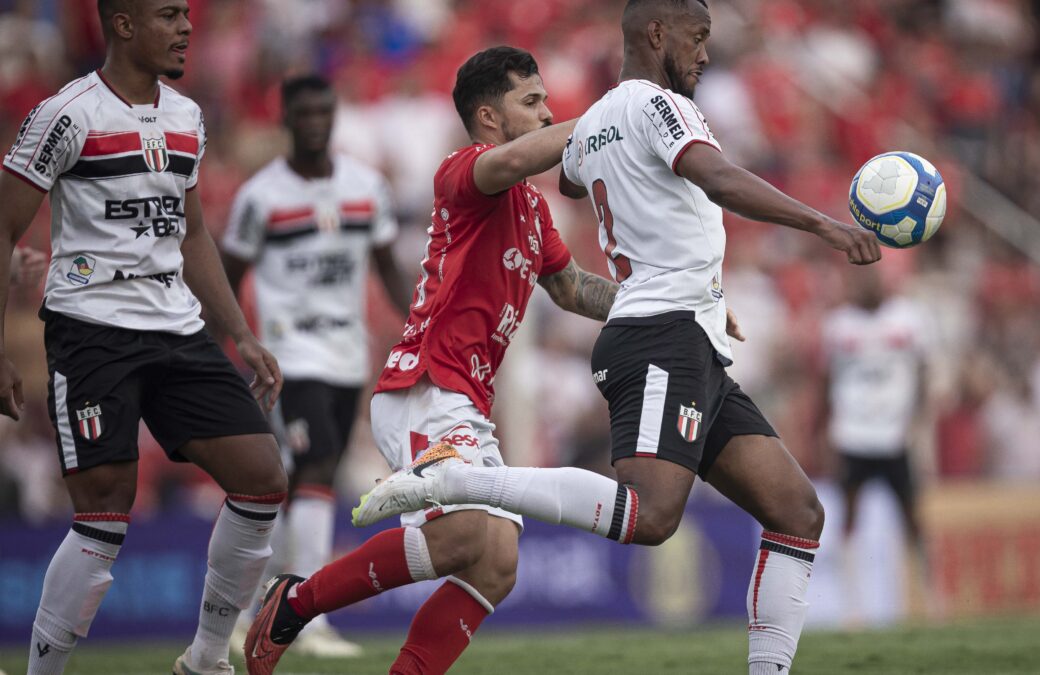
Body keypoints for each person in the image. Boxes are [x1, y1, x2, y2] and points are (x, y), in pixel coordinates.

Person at [352, 1, 881, 673]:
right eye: (697, 38)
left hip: (687, 331)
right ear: (657, 34)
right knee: (652, 516)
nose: (706, 55)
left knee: (797, 509)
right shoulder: (654, 104)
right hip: (662, 334)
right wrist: (823, 225)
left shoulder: (601, 120)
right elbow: (713, 175)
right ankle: (457, 479)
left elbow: (573, 182)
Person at [243, 46, 620, 675]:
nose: (547, 112)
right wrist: (613, 117)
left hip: (464, 399)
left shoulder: (531, 208)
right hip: (425, 385)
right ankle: (295, 600)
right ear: (489, 116)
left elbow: (571, 287)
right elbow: (522, 157)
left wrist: (659, 304)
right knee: (466, 536)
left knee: (496, 562)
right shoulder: (463, 173)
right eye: (531, 102)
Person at [0, 2, 289, 674]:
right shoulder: (66, 114)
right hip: (92, 329)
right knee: (105, 505)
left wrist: (240, 335)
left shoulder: (187, 117)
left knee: (262, 478)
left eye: (186, 15)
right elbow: (3, 226)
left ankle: (206, 659)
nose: (187, 27)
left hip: (176, 326)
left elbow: (190, 233)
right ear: (124, 24)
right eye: (168, 15)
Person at [219, 74, 409, 658]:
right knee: (320, 461)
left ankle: (250, 612)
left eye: (324, 112)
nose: (315, 123)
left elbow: (386, 267)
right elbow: (225, 277)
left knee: (294, 482)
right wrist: (237, 342)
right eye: (303, 114)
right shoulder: (261, 197)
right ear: (286, 120)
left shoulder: (366, 188)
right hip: (288, 356)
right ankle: (306, 616)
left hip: (347, 355)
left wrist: (418, 325)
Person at [817, 267, 930, 617]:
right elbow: (826, 379)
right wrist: (824, 428)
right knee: (850, 518)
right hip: (852, 434)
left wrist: (918, 418)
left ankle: (932, 600)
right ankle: (854, 606)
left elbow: (924, 370)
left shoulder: (909, 318)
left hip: (896, 434)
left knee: (912, 518)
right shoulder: (838, 325)